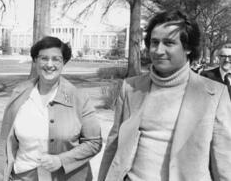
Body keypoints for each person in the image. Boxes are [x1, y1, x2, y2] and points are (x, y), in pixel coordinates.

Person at [98, 10, 231, 181]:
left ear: (188, 48)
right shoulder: (130, 88)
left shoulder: (214, 95)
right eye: (154, 42)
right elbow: (113, 145)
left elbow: (224, 163)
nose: (158, 50)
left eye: (169, 43)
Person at [0, 36, 102, 181]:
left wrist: (62, 160)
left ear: (64, 62)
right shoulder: (19, 94)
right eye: (44, 58)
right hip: (22, 175)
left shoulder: (79, 99)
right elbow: (5, 142)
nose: (49, 64)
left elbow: (94, 143)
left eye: (56, 59)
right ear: (35, 61)